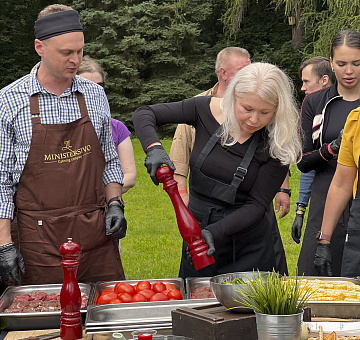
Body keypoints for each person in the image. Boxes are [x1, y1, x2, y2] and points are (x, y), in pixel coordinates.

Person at [132, 62, 301, 279]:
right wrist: (154, 148)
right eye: (246, 109)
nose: (254, 120)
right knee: (199, 304)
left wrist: (213, 232)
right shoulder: (204, 110)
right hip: (197, 234)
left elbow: (257, 204)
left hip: (249, 241)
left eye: (265, 112)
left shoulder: (278, 141)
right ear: (232, 98)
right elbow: (144, 114)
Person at [0, 4, 127, 286]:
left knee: (102, 318)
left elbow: (108, 159)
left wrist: (116, 202)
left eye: (80, 51)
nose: (76, 59)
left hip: (95, 235)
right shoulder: (10, 101)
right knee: (45, 320)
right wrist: (4, 244)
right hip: (38, 242)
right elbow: (1, 181)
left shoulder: (94, 95)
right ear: (39, 47)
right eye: (66, 53)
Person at [169, 47, 290, 274]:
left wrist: (284, 188)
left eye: (264, 112)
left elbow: (260, 196)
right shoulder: (202, 106)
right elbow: (180, 150)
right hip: (204, 216)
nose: (254, 119)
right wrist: (182, 191)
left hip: (248, 220)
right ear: (224, 73)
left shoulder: (272, 126)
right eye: (243, 70)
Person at [297, 30, 360, 276]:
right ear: (331, 63)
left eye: (357, 63)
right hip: (326, 193)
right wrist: (334, 147)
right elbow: (302, 161)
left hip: (357, 195)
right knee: (314, 274)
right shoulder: (316, 102)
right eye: (342, 64)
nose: (349, 71)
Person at [291, 57, 335, 244]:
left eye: (306, 81)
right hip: (321, 193)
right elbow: (308, 163)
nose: (302, 87)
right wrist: (300, 209)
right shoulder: (311, 106)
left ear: (324, 80)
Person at [77, 56, 136, 194]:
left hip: (108, 207)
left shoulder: (116, 127)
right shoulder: (59, 125)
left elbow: (130, 176)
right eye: (86, 85)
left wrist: (95, 193)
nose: (94, 91)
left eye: (99, 86)